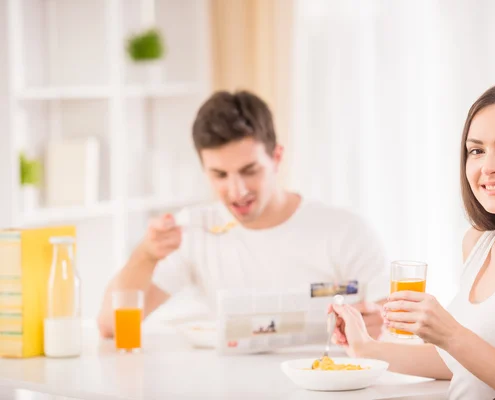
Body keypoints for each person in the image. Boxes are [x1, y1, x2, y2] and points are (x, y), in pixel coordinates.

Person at [329, 81, 495, 400]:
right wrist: (366, 348)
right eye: (476, 150)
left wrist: (450, 333)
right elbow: (463, 363)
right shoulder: (477, 245)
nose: (488, 167)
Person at [97, 90, 388, 339]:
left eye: (249, 171)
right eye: (220, 175)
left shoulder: (344, 231)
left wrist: (379, 324)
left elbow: (396, 325)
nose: (236, 191)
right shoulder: (196, 229)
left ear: (276, 158)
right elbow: (112, 326)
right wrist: (146, 255)